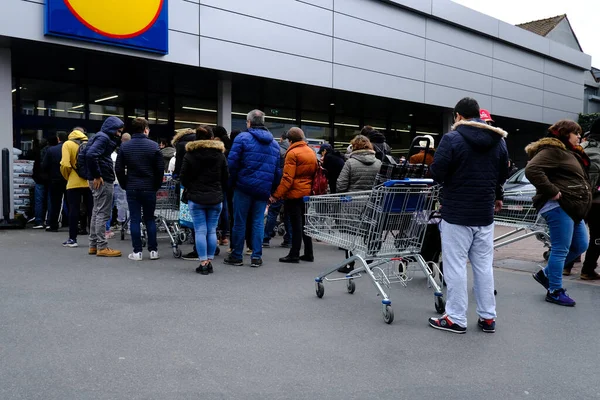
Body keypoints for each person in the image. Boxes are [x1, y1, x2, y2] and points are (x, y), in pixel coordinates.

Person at [428, 97, 508, 334]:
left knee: (455, 266)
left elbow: (438, 173)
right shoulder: (499, 141)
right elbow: (502, 174)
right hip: (484, 214)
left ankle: (455, 318)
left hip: (457, 213)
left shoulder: (452, 138)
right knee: (483, 266)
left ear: (458, 116)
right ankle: (488, 317)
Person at [527, 120, 591, 305]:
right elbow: (532, 169)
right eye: (575, 133)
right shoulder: (553, 150)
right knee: (561, 249)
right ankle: (554, 290)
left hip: (572, 207)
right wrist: (552, 191)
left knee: (580, 245)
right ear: (564, 134)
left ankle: (545, 274)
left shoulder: (569, 152)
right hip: (558, 207)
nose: (579, 136)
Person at [224, 109, 281, 267]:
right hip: (263, 189)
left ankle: (236, 255)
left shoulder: (242, 138)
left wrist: (231, 184)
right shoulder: (274, 144)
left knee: (239, 222)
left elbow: (232, 164)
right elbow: (277, 171)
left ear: (248, 122)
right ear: (263, 122)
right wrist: (272, 189)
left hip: (243, 187)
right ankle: (256, 256)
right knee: (257, 222)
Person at [180, 126, 229, 274]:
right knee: (212, 230)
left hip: (196, 198)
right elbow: (226, 177)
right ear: (212, 138)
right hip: (215, 198)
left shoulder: (190, 155)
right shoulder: (220, 155)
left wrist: (192, 187)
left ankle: (203, 263)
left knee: (200, 230)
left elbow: (183, 177)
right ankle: (210, 260)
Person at [115, 119, 163, 261]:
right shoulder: (154, 146)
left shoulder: (125, 147)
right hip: (149, 187)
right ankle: (153, 250)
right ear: (146, 129)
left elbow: (118, 168)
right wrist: (156, 185)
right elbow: (160, 169)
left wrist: (124, 184)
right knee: (150, 219)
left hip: (132, 186)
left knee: (135, 219)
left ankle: (137, 252)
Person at [271, 127, 317, 263]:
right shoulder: (310, 151)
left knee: (296, 224)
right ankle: (309, 253)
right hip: (307, 193)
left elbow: (287, 178)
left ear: (290, 140)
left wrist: (276, 194)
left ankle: (294, 254)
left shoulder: (292, 153)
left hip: (294, 193)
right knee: (305, 224)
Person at [86, 116, 125, 257]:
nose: (119, 134)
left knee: (96, 212)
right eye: (118, 131)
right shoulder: (103, 138)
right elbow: (91, 155)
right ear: (112, 129)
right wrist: (97, 175)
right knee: (103, 213)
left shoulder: (99, 136)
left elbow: (91, 154)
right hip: (103, 180)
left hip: (97, 179)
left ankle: (93, 245)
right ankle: (102, 247)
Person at [60, 128, 93, 248]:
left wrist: (68, 176)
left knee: (74, 210)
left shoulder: (67, 144)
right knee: (92, 210)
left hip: (73, 183)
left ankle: (72, 239)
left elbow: (65, 164)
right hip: (90, 182)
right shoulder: (90, 143)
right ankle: (95, 239)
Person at [578, 118, 600, 280]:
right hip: (597, 202)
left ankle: (567, 266)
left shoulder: (579, 149)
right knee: (597, 236)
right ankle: (588, 270)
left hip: (577, 199)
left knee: (574, 232)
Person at [171, 128, 198, 260]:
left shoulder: (181, 145)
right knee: (203, 219)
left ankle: (197, 248)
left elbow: (180, 167)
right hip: (205, 185)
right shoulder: (202, 142)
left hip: (187, 185)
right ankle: (208, 246)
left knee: (191, 216)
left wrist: (176, 177)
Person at [263, 131, 292, 248]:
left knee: (273, 212)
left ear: (282, 139)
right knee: (289, 214)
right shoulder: (295, 151)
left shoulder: (277, 150)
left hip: (279, 185)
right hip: (291, 187)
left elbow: (274, 171)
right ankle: (289, 239)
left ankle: (266, 237)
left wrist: (272, 191)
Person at [43, 132, 68, 232]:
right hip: (68, 179)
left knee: (55, 203)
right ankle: (73, 223)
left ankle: (53, 225)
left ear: (58, 139)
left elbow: (44, 166)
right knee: (71, 203)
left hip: (55, 180)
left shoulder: (51, 150)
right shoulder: (71, 149)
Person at [214, 125, 231, 246]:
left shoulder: (216, 147)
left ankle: (215, 234)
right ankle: (224, 235)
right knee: (225, 209)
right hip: (226, 183)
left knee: (215, 210)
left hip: (215, 183)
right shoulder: (231, 146)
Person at [31, 138, 49, 229]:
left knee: (39, 201)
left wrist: (35, 177)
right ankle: (49, 221)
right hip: (50, 180)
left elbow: (35, 167)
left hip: (39, 179)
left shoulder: (38, 153)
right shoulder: (51, 152)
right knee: (51, 201)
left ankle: (39, 221)